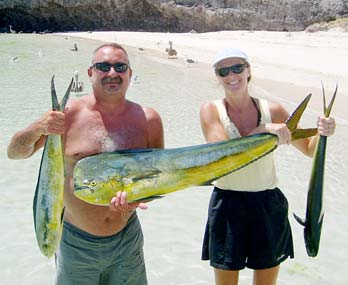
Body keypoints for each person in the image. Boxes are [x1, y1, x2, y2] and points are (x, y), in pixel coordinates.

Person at [7, 43, 164, 284]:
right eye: (103, 67)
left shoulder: (148, 120)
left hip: (127, 240)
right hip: (76, 244)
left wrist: (138, 200)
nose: (112, 73)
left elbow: (157, 178)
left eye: (120, 67)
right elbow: (15, 153)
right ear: (90, 73)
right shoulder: (66, 116)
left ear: (130, 73)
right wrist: (39, 126)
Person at [200, 47, 336, 285]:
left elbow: (308, 149)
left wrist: (323, 132)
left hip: (267, 204)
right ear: (217, 76)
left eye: (237, 68)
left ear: (248, 70)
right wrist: (263, 131)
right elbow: (223, 156)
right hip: (227, 205)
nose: (231, 75)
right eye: (223, 71)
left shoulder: (272, 111)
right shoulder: (211, 110)